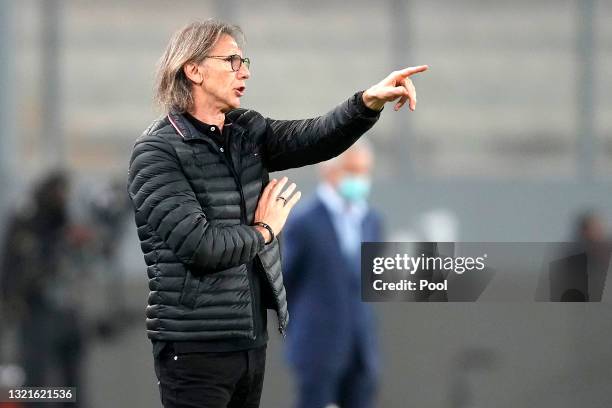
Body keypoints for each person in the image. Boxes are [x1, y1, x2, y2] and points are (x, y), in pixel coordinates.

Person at [127, 19, 427, 408]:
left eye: (244, 61)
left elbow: (315, 136)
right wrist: (265, 230)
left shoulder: (246, 132)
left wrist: (367, 102)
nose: (245, 71)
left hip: (251, 343)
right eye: (232, 61)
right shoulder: (156, 153)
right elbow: (199, 246)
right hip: (194, 349)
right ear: (193, 69)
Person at [281, 142, 383, 408]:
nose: (359, 180)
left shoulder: (371, 220)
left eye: (364, 172)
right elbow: (286, 285)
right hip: (317, 349)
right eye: (351, 171)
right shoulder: (304, 222)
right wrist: (300, 334)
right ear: (329, 172)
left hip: (360, 348)